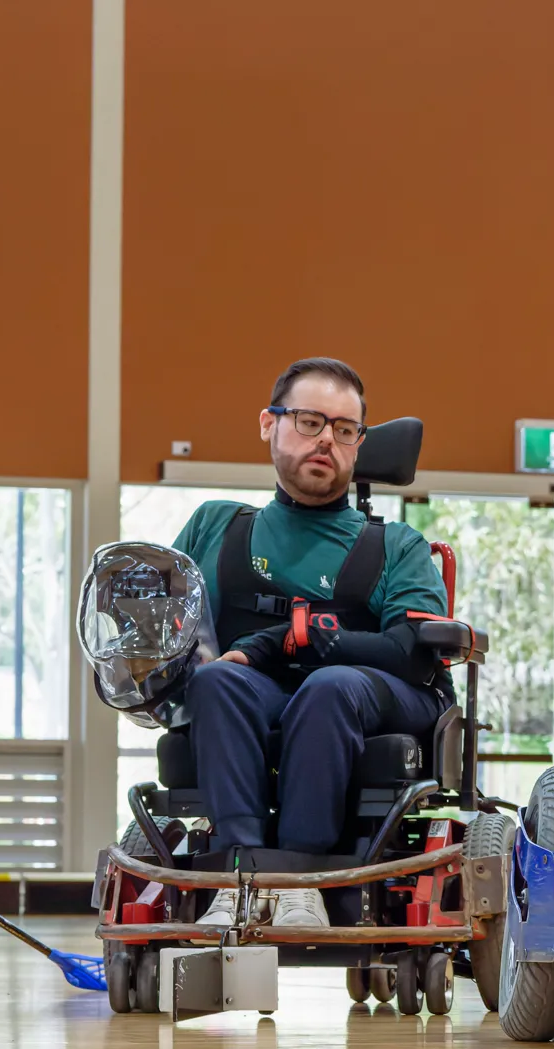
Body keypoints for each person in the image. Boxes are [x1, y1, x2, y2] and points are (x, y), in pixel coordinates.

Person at [170, 358, 452, 928]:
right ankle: (239, 877)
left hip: (375, 698)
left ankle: (303, 882)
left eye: (344, 429)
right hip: (256, 696)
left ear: (359, 444)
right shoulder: (215, 526)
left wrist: (292, 638)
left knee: (329, 686)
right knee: (217, 679)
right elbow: (170, 630)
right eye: (307, 420)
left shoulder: (397, 544)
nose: (326, 439)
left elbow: (414, 650)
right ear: (268, 424)